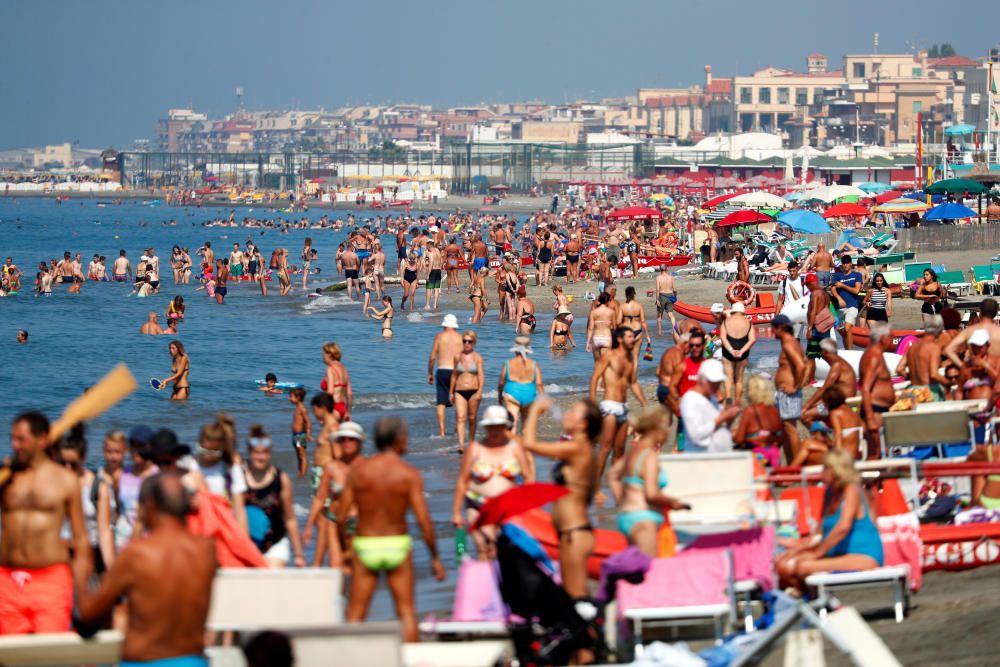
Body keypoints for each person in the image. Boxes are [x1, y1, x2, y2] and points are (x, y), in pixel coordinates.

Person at [76, 473, 217, 666]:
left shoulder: (136, 555)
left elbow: (88, 614)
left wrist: (81, 572)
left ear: (149, 505)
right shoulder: (206, 551)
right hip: (192, 661)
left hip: (145, 660)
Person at [338, 416, 445, 642]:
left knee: (356, 613)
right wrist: (435, 557)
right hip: (397, 544)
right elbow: (423, 520)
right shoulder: (408, 474)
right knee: (405, 611)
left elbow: (341, 517)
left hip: (366, 545)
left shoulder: (359, 472)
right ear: (398, 440)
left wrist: (346, 548)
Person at [0, 412, 91, 634]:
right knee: (9, 658)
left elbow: (80, 539)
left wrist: (84, 597)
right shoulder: (8, 479)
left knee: (49, 655)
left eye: (21, 439)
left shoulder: (65, 480)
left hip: (50, 580)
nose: (14, 445)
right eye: (13, 438)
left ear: (41, 440)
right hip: (7, 580)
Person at [522, 397, 600, 603]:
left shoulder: (579, 448)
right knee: (571, 596)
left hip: (576, 532)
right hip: (568, 532)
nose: (566, 414)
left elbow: (530, 444)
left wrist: (535, 411)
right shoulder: (577, 448)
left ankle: (595, 633)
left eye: (573, 412)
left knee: (577, 597)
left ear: (583, 424)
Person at [776, 449, 883, 589]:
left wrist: (816, 553)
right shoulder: (829, 493)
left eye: (825, 468)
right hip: (836, 555)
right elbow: (819, 533)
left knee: (799, 566)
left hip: (863, 555)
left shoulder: (852, 490)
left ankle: (811, 602)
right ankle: (808, 601)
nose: (822, 473)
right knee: (781, 564)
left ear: (836, 470)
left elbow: (843, 527)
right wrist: (797, 550)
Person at [451, 405, 533, 559]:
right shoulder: (475, 448)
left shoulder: (515, 448)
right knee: (483, 548)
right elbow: (462, 480)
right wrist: (456, 512)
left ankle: (501, 580)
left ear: (505, 427)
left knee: (501, 550)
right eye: (490, 427)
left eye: (498, 427)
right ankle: (485, 579)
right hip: (477, 504)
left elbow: (527, 477)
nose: (494, 431)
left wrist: (527, 508)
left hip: (506, 506)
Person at [609, 406, 689, 557]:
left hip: (627, 517)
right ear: (655, 430)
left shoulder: (634, 451)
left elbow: (613, 475)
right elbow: (651, 493)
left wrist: (621, 501)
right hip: (644, 521)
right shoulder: (649, 456)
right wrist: (673, 502)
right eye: (666, 429)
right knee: (650, 571)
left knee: (637, 572)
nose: (667, 434)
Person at [591, 327, 647, 494]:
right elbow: (595, 378)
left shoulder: (631, 358)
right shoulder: (609, 355)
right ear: (621, 339)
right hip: (609, 405)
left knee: (620, 449)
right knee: (606, 447)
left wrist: (644, 403)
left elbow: (634, 383)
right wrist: (593, 402)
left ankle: (617, 485)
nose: (633, 339)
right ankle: (596, 486)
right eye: (629, 336)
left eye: (633, 337)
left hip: (623, 407)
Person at [243, 425, 307, 568]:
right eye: (256, 452)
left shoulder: (281, 479)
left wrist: (299, 554)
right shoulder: (239, 479)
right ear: (249, 451)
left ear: (270, 453)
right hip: (246, 544)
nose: (261, 457)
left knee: (269, 579)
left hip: (275, 544)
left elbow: (290, 518)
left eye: (265, 452)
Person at [57, 426, 116, 574]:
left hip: (91, 557)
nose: (68, 469)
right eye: (63, 463)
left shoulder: (98, 487)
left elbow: (104, 531)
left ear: (83, 457)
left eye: (73, 464)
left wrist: (110, 566)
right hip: (60, 556)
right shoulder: (53, 484)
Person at [188, 418, 249, 533]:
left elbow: (239, 510)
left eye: (212, 452)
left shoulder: (231, 468)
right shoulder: (190, 466)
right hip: (197, 526)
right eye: (203, 450)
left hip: (223, 525)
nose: (207, 456)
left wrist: (244, 539)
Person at [679, 359, 739, 453]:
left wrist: (730, 418)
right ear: (701, 379)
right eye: (713, 382)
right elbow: (696, 435)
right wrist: (722, 418)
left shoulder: (712, 398)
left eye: (718, 382)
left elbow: (719, 427)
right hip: (701, 459)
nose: (716, 385)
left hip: (717, 457)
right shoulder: (690, 399)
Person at [772, 315, 808, 462]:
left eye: (773, 329)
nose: (772, 332)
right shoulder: (788, 342)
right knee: (785, 430)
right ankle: (791, 466)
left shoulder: (788, 343)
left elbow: (801, 365)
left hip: (789, 393)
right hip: (784, 393)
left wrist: (796, 386)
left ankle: (797, 467)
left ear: (780, 328)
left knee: (790, 430)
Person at [732, 375, 784, 469]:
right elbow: (780, 437)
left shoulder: (751, 410)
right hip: (774, 456)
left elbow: (739, 439)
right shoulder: (774, 410)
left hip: (757, 458)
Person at [860, 322, 895, 458]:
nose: (892, 341)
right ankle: (873, 479)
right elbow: (865, 387)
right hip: (874, 411)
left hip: (879, 410)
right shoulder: (873, 356)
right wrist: (870, 418)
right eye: (890, 337)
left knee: (878, 453)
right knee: (877, 454)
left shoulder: (877, 355)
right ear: (882, 338)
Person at [802, 338, 857, 424]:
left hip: (841, 403)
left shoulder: (837, 365)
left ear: (825, 352)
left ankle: (822, 436)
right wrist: (819, 402)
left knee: (804, 415)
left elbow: (823, 389)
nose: (820, 355)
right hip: (838, 400)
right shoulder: (839, 362)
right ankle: (822, 434)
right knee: (814, 409)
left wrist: (806, 406)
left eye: (820, 352)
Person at [895, 315, 948, 401]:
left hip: (913, 390)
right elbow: (933, 374)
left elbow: (899, 369)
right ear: (940, 330)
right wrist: (948, 383)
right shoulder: (933, 347)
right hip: (928, 392)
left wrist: (911, 376)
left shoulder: (913, 347)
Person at [428, 314, 463, 438]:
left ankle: (442, 432)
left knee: (441, 402)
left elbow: (432, 357)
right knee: (459, 400)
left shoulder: (439, 337)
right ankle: (457, 429)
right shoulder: (460, 338)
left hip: (442, 370)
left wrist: (430, 373)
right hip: (457, 371)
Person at [449, 330, 485, 453]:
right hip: (459, 391)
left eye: (469, 341)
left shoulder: (477, 358)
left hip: (474, 391)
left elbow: (481, 375)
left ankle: (471, 442)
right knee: (460, 417)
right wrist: (450, 392)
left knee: (472, 418)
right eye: (464, 341)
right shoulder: (457, 357)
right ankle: (461, 445)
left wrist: (480, 392)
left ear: (474, 342)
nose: (467, 343)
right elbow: (454, 375)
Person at [498, 335, 544, 430]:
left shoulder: (508, 363)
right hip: (529, 394)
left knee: (512, 423)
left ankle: (513, 443)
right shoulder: (534, 363)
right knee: (526, 427)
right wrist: (542, 398)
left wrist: (499, 395)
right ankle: (525, 443)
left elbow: (501, 383)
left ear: (515, 348)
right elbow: (539, 383)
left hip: (512, 394)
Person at [944, 298, 1000, 367]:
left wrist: (963, 367)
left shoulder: (969, 331)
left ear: (980, 311)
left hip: (975, 373)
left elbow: (948, 350)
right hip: (996, 372)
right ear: (996, 312)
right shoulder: (998, 331)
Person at [719, 302, 756, 405]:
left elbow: (722, 337)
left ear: (733, 310)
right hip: (742, 352)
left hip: (727, 351)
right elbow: (752, 340)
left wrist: (731, 350)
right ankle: (738, 401)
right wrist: (741, 351)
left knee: (728, 377)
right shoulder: (748, 323)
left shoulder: (726, 321)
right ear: (743, 312)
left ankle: (728, 399)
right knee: (739, 379)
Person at [830, 256, 864, 350]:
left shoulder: (857, 275)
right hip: (839, 308)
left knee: (848, 329)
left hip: (852, 306)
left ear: (851, 264)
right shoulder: (837, 275)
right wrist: (839, 299)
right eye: (844, 263)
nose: (845, 265)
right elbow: (832, 289)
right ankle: (846, 349)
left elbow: (856, 291)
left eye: (847, 263)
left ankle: (850, 352)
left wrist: (842, 285)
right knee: (842, 332)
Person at [322, 342, 352, 421]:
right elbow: (349, 393)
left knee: (328, 433)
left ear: (329, 354)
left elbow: (330, 392)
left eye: (323, 354)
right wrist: (348, 412)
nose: (322, 356)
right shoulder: (344, 369)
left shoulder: (330, 369)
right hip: (342, 407)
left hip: (333, 407)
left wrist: (325, 412)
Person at [586, 292, 615, 360]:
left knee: (598, 365)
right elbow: (613, 328)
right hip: (607, 338)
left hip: (596, 338)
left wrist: (588, 343)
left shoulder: (593, 312)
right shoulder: (611, 312)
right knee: (606, 364)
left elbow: (590, 328)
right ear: (607, 301)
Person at [654, 265, 677, 335]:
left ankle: (659, 332)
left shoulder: (658, 278)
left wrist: (657, 299)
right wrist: (675, 297)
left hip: (662, 296)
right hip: (670, 296)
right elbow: (675, 289)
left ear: (660, 270)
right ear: (667, 269)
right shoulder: (671, 277)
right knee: (671, 314)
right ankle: (675, 331)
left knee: (659, 315)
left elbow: (658, 289)